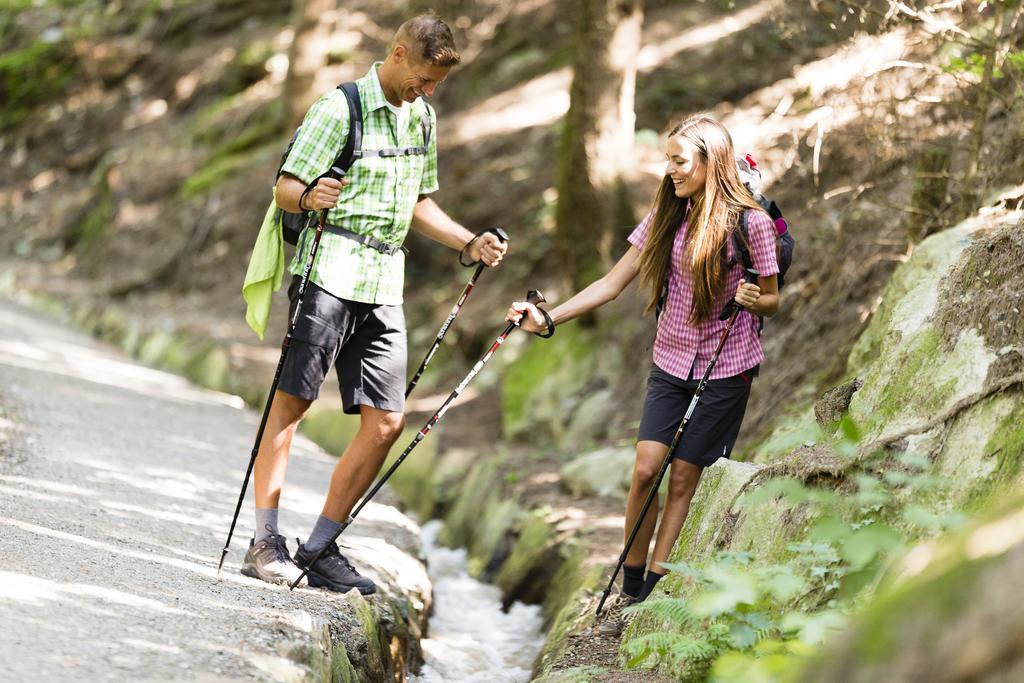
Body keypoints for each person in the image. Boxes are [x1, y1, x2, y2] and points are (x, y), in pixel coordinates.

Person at [243, 13, 507, 593]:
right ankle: (265, 542)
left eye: (437, 83)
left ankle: (319, 548)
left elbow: (419, 202)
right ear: (398, 53)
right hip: (328, 272)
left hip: (385, 282)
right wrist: (310, 194)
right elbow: (284, 186)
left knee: (387, 421)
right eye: (424, 77)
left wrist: (468, 240)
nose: (429, 90)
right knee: (291, 405)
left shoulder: (423, 119)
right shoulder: (339, 109)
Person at [507, 114, 779, 634]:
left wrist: (755, 299)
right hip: (671, 361)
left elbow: (771, 297)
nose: (669, 169)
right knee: (645, 469)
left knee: (682, 479)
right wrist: (548, 319)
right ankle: (629, 583)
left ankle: (652, 594)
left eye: (679, 160)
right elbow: (612, 283)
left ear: (709, 161)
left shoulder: (752, 224)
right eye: (669, 159)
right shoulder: (667, 214)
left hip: (727, 368)